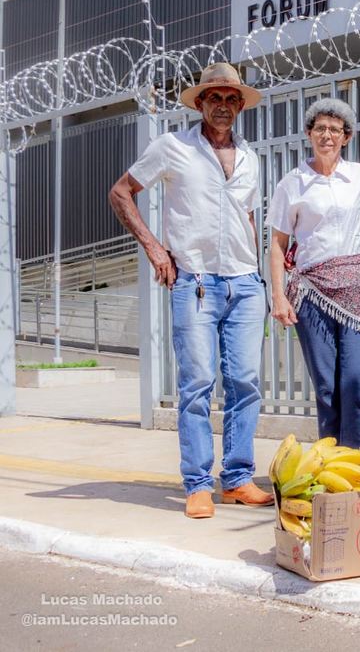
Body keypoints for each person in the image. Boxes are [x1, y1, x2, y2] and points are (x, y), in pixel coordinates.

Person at [107, 63, 272, 519]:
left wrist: (258, 271)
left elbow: (248, 217)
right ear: (200, 103)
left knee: (245, 383)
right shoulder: (173, 146)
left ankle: (237, 479)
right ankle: (198, 482)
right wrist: (155, 249)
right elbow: (121, 192)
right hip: (195, 281)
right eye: (213, 98)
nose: (222, 106)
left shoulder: (251, 156)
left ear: (240, 105)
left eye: (231, 99)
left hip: (244, 281)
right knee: (197, 383)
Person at [266, 98, 360, 449]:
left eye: (335, 129)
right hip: (312, 293)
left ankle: (357, 459)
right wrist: (278, 297)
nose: (327, 136)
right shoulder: (293, 183)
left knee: (355, 382)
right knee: (326, 386)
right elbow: (277, 243)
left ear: (346, 137)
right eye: (320, 128)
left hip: (357, 291)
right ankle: (331, 462)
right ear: (308, 133)